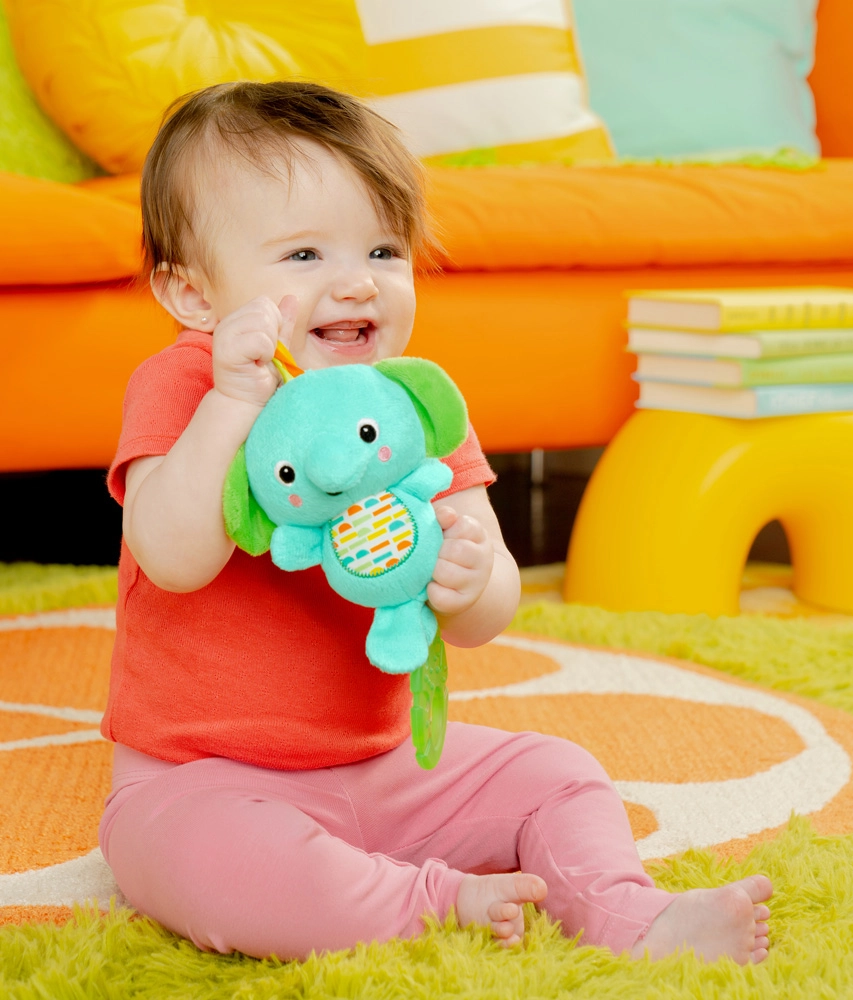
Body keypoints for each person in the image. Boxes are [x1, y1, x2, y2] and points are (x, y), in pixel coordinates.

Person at [98, 80, 772, 965]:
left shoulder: (412, 407)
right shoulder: (186, 385)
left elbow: (486, 613)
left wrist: (471, 575)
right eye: (303, 254)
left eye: (384, 249)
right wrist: (232, 402)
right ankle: (431, 903)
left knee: (558, 775)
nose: (357, 281)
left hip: (389, 768)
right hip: (201, 780)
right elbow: (172, 555)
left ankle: (631, 915)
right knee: (209, 860)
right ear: (192, 295)